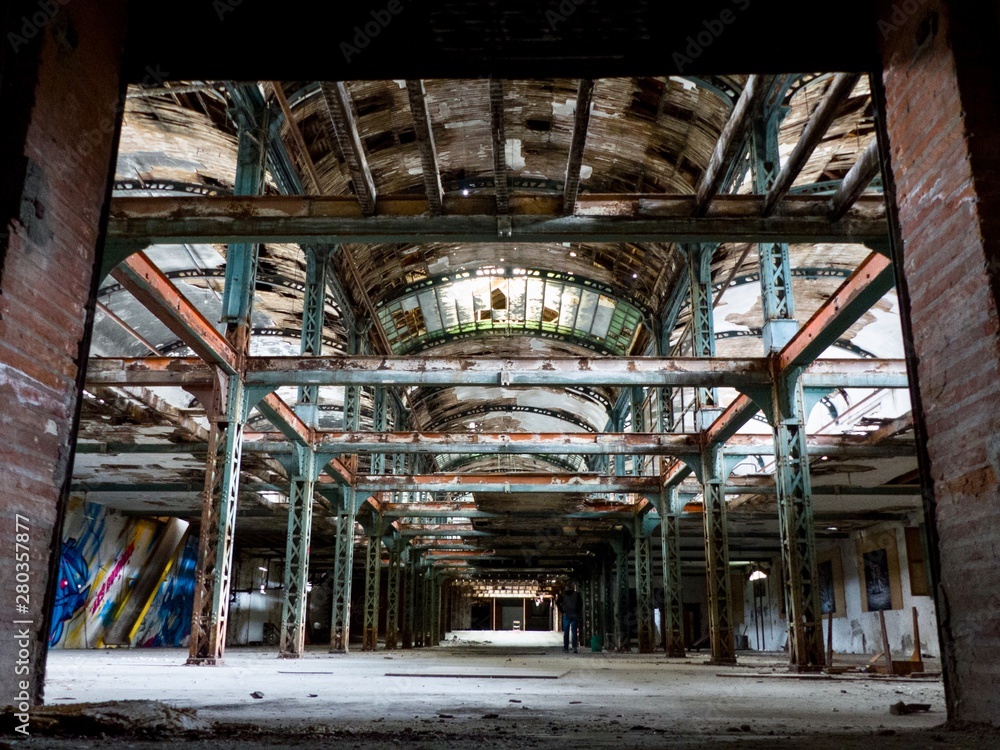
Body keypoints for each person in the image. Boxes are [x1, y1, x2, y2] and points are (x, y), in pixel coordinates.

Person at [555, 581, 583, 653]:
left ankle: (566, 648)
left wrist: (562, 611)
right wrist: (578, 612)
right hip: (574, 614)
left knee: (566, 632)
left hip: (566, 614)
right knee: (574, 632)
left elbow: (557, 602)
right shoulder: (577, 595)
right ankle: (574, 647)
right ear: (573, 587)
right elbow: (580, 604)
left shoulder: (563, 595)